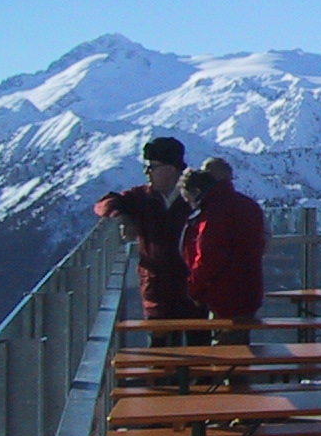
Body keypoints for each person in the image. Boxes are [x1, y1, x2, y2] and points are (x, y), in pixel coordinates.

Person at [93, 136, 200, 338]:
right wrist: (122, 217)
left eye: (152, 167)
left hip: (192, 292)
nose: (147, 172)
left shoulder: (194, 199)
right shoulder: (142, 197)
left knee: (199, 352)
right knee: (160, 355)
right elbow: (104, 203)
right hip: (157, 293)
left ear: (169, 169)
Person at [179, 166, 268, 344]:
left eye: (190, 201)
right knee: (238, 347)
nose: (192, 206)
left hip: (225, 296)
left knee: (227, 355)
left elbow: (209, 258)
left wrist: (193, 289)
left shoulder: (213, 213)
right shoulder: (247, 204)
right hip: (248, 291)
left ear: (197, 192)